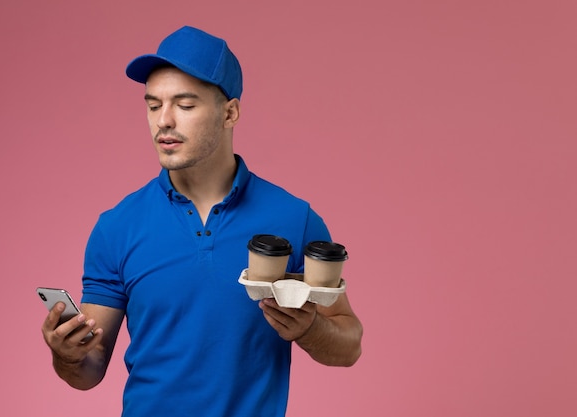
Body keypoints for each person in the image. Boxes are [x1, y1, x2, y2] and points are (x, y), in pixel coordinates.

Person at [41, 25, 363, 417]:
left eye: (185, 105)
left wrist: (309, 330)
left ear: (230, 112)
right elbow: (88, 371)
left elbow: (348, 346)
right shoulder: (116, 227)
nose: (164, 121)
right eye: (153, 104)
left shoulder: (294, 219)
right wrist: (67, 355)